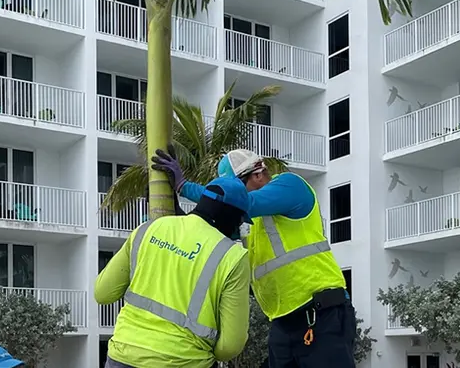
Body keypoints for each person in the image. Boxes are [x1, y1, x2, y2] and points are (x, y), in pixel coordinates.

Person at [153, 148, 356, 368]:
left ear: (258, 174)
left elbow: (232, 202)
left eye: (236, 187)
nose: (233, 194)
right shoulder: (249, 222)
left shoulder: (291, 186)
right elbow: (208, 232)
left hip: (321, 315)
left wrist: (184, 187)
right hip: (282, 323)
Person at [95, 176, 253, 368]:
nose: (239, 229)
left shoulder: (148, 229)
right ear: (231, 216)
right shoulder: (233, 256)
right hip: (186, 361)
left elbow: (102, 293)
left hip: (124, 356)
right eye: (240, 222)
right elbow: (231, 345)